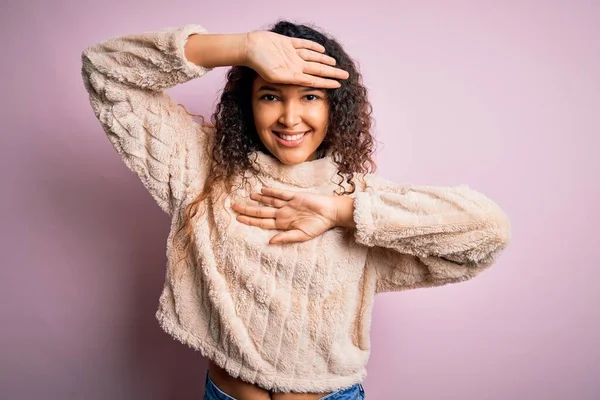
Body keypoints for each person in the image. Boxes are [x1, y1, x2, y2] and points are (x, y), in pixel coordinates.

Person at [81, 20, 511, 400]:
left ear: (334, 107)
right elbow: (105, 69)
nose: (290, 117)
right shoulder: (201, 167)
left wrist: (341, 213)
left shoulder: (355, 198)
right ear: (248, 104)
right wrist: (242, 47)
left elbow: (488, 231)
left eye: (309, 96)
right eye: (270, 95)